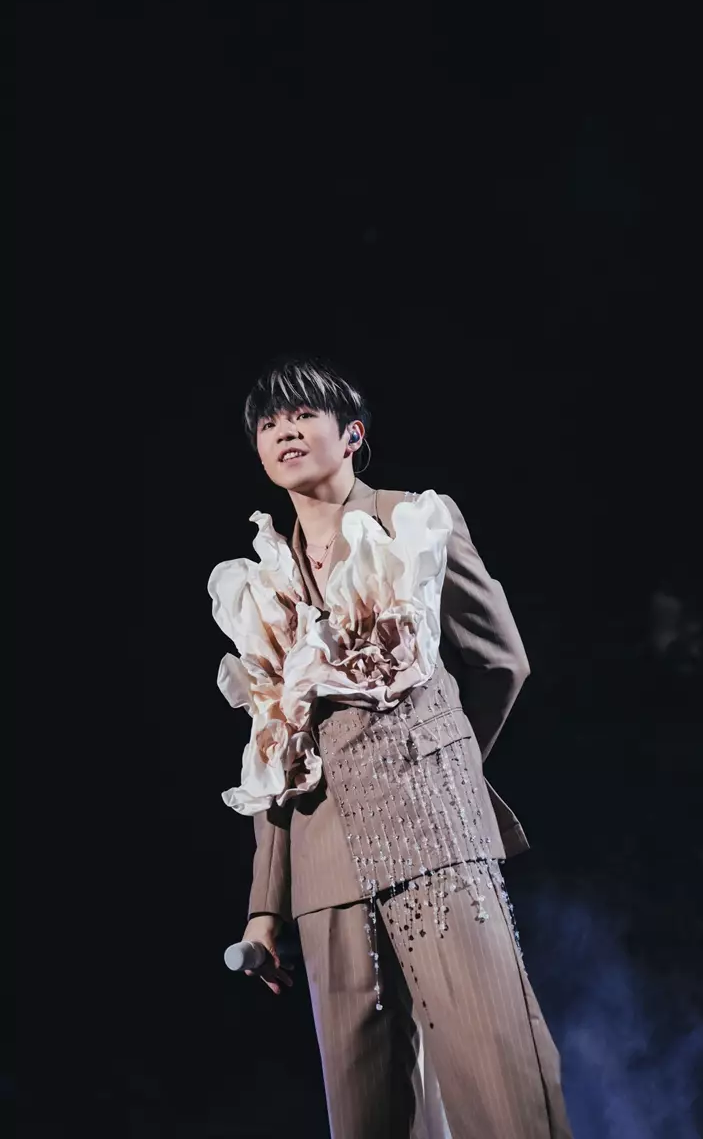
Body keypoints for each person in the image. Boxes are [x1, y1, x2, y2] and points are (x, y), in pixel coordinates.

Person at [208, 355, 573, 1139]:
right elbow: (271, 748)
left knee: (500, 1080)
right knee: (368, 1108)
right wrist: (264, 910)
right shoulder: (262, 582)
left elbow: (502, 660)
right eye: (269, 424)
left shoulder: (413, 522)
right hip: (325, 868)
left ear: (352, 435)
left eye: (302, 415)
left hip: (436, 838)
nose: (284, 432)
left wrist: (444, 763)